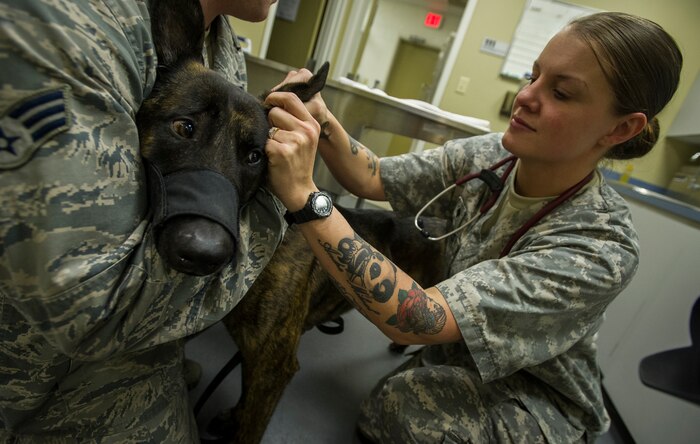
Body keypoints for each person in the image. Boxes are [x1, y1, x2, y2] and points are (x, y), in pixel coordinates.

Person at [263, 11, 682, 443]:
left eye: (560, 92)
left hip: (536, 393)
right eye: (533, 76)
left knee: (406, 411)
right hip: (460, 351)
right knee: (382, 411)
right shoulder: (493, 156)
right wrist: (321, 118)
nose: (526, 98)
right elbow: (372, 177)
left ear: (621, 127)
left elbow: (415, 319)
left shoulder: (600, 248)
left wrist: (305, 197)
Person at [0, 0, 286, 442]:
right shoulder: (70, 23)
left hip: (146, 339)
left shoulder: (221, 43)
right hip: (39, 375)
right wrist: (288, 198)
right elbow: (92, 312)